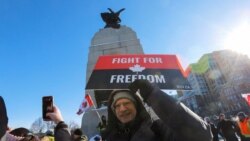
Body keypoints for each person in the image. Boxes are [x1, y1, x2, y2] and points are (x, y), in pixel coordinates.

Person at [104, 79, 213, 141]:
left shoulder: (158, 129)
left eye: (127, 103)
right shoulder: (108, 137)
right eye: (117, 106)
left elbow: (202, 136)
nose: (122, 109)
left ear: (137, 106)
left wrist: (155, 96)